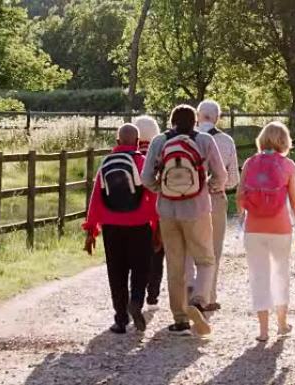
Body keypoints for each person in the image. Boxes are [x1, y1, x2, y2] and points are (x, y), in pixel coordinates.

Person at [141, 104, 228, 336]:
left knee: (175, 264)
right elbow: (222, 176)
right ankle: (198, 301)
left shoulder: (160, 141)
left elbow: (145, 177)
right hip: (197, 209)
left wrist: (162, 189)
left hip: (167, 210)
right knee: (206, 259)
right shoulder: (205, 141)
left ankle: (179, 319)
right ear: (195, 121)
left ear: (172, 121)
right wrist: (206, 189)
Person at [83, 123, 157, 334]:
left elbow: (96, 198)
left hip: (111, 225)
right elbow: (153, 195)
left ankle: (120, 319)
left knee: (116, 271)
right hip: (139, 224)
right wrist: (157, 223)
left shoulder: (106, 163)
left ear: (117, 142)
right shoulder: (142, 162)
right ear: (137, 142)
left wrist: (91, 230)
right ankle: (136, 302)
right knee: (141, 268)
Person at [237, 121, 295, 342]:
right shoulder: (288, 165)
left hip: (254, 228)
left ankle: (263, 330)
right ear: (284, 141)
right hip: (280, 228)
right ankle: (282, 324)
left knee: (259, 276)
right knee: (280, 273)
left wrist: (242, 219)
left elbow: (239, 195)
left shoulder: (250, 162)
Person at [184, 100, 240, 311]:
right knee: (213, 248)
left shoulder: (184, 139)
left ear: (198, 116)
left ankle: (188, 290)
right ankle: (208, 295)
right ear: (217, 117)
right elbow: (233, 179)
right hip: (215, 198)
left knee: (189, 246)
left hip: (186, 199)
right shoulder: (226, 141)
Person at [133, 115, 165, 306]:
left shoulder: (132, 153)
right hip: (157, 210)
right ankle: (153, 292)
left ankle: (136, 291)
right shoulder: (159, 152)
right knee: (157, 254)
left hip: (135, 211)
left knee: (137, 255)